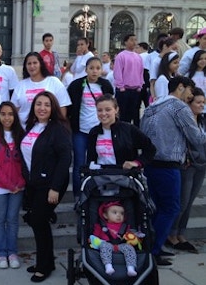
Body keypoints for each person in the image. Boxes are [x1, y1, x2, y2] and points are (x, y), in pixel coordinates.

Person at [140, 76, 206, 266]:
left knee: (157, 208)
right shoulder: (179, 107)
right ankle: (153, 249)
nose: (190, 97)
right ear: (181, 87)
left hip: (151, 163)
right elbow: (196, 138)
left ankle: (152, 247)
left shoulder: (153, 105)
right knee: (171, 207)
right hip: (167, 164)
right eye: (190, 92)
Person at [20, 91, 72, 282]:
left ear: (53, 109)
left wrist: (55, 188)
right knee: (37, 222)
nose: (42, 108)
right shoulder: (32, 126)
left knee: (40, 222)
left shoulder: (58, 129)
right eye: (39, 104)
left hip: (50, 185)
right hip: (34, 184)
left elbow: (65, 158)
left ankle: (44, 266)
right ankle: (46, 261)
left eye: (47, 105)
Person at [0, 102, 25, 269]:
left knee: (13, 219)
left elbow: (26, 161)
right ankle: (1, 253)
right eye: (3, 114)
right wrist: (8, 184)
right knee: (0, 219)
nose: (7, 117)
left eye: (10, 114)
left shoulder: (21, 134)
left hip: (18, 185)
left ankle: (12, 252)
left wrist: (21, 182)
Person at [67, 57, 114, 200]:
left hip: (100, 131)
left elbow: (112, 106)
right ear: (86, 69)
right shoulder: (76, 85)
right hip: (80, 130)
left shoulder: (105, 85)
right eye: (91, 68)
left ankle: (95, 193)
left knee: (97, 162)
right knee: (79, 164)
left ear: (101, 70)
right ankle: (78, 195)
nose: (94, 71)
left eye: (97, 68)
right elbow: (70, 107)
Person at [167, 87, 206, 253]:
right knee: (182, 202)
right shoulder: (183, 120)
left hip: (201, 164)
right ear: (189, 104)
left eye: (203, 102)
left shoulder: (203, 120)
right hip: (187, 164)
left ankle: (181, 233)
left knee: (189, 202)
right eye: (198, 102)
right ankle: (171, 234)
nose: (202, 105)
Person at [86, 94, 156, 168]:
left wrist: (137, 163)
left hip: (124, 175)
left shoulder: (129, 129)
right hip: (100, 175)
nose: (103, 114)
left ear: (116, 110)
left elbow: (150, 149)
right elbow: (90, 159)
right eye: (99, 110)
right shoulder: (94, 132)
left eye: (108, 110)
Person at [11, 52, 71, 127]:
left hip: (49, 130)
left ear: (41, 64)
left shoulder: (54, 82)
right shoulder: (20, 85)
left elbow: (62, 108)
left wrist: (57, 127)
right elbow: (14, 110)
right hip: (24, 131)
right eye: (29, 64)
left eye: (35, 63)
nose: (32, 66)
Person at [92, 202, 138, 277]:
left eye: (122, 213)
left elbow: (130, 235)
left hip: (121, 244)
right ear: (105, 215)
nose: (119, 215)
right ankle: (108, 266)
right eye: (115, 212)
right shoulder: (101, 226)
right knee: (104, 246)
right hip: (107, 243)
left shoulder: (125, 226)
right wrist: (92, 239)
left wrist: (133, 237)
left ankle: (131, 268)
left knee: (130, 248)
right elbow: (95, 236)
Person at [113, 33, 144, 125]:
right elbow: (117, 72)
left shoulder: (138, 57)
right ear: (126, 42)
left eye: (135, 40)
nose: (134, 42)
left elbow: (140, 72)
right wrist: (121, 86)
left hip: (135, 89)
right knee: (123, 115)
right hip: (124, 89)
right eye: (131, 40)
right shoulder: (121, 56)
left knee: (134, 114)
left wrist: (140, 85)